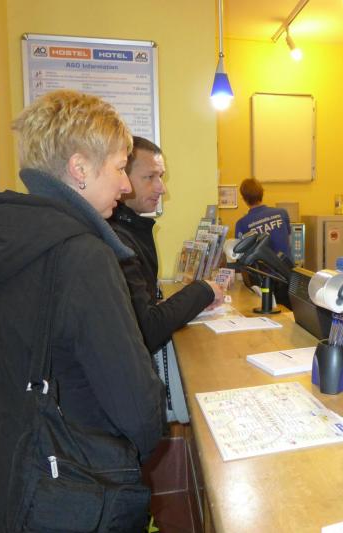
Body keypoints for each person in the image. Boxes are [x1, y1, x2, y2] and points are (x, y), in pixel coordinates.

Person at [0, 90, 165, 531]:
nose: (125, 186)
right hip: (63, 492)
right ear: (80, 169)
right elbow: (138, 409)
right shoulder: (82, 256)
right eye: (119, 168)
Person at [109, 136, 223, 422]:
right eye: (149, 177)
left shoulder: (132, 229)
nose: (161, 188)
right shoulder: (118, 240)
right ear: (121, 178)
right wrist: (204, 290)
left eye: (160, 177)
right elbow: (146, 328)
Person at [235, 177, 292, 258]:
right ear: (262, 193)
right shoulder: (282, 213)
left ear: (244, 199)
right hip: (287, 265)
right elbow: (289, 241)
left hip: (261, 266)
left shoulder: (242, 224)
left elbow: (240, 254)